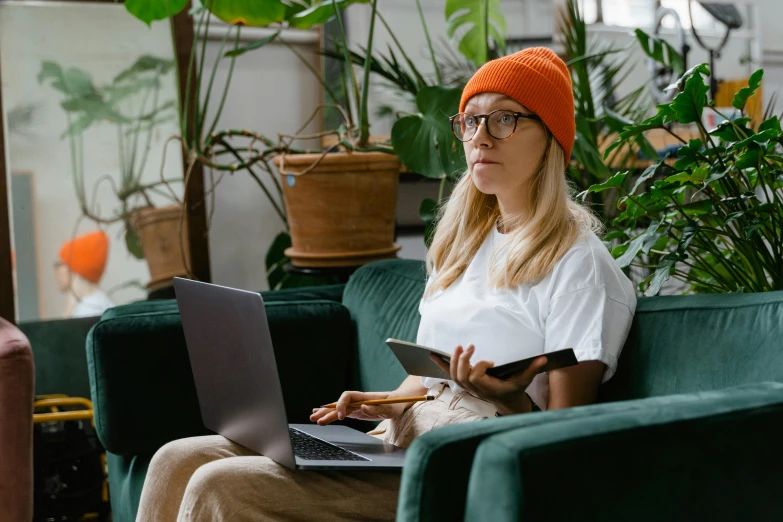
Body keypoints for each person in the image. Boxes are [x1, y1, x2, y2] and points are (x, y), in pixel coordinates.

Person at [135, 47, 637, 522]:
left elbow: (568, 439)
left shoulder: (577, 263)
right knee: (175, 459)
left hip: (467, 459)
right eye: (471, 120)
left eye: (505, 118)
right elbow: (429, 378)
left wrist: (506, 399)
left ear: (550, 136)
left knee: (220, 485)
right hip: (402, 437)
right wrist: (381, 401)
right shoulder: (466, 244)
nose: (481, 137)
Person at [55, 230, 115, 318]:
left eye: (59, 264)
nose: (56, 271)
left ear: (73, 268)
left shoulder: (87, 310)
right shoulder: (98, 301)